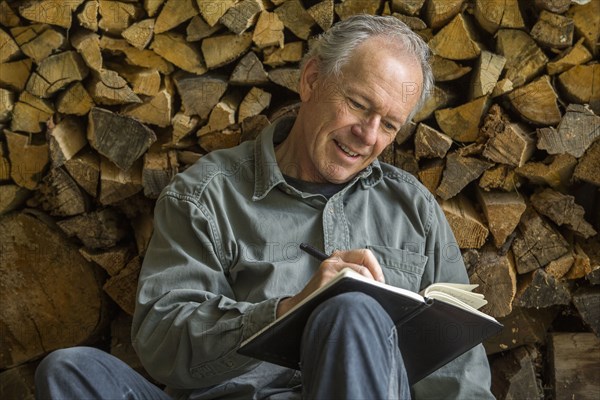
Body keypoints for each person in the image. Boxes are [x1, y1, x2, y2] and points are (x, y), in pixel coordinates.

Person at [35, 15, 494, 400]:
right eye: (358, 105)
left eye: (389, 125)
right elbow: (163, 344)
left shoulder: (411, 207)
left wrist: (343, 313)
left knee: (352, 309)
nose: (369, 135)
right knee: (69, 372)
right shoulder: (206, 195)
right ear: (312, 80)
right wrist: (289, 309)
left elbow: (460, 377)